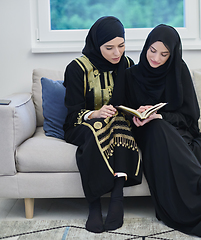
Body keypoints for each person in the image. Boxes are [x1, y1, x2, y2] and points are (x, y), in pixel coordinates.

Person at [118, 24, 201, 237]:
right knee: (155, 126)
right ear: (145, 47)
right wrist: (136, 114)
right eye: (152, 51)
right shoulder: (129, 75)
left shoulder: (178, 70)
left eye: (164, 54)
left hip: (178, 130)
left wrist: (160, 115)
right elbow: (121, 110)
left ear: (172, 54)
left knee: (160, 125)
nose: (156, 58)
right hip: (144, 134)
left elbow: (190, 116)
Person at [63, 16, 142, 233]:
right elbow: (72, 113)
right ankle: (94, 205)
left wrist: (139, 110)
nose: (117, 53)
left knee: (118, 124)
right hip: (82, 125)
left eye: (121, 46)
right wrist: (95, 113)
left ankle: (117, 198)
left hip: (117, 126)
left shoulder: (127, 65)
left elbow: (132, 100)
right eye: (109, 48)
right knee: (97, 129)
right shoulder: (77, 68)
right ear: (97, 45)